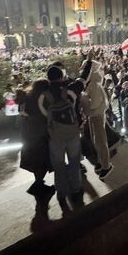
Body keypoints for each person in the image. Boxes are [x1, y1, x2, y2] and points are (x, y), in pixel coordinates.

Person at [38, 66, 83, 215]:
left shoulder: (43, 96)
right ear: (62, 76)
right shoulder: (69, 91)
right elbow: (82, 81)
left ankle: (62, 193)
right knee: (74, 162)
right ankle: (76, 190)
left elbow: (45, 115)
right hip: (72, 134)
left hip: (55, 137)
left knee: (59, 166)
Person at [21, 79, 54, 204]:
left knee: (36, 162)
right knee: (42, 161)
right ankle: (38, 186)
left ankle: (39, 184)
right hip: (40, 136)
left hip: (29, 136)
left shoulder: (28, 97)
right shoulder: (42, 98)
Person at [81, 61, 114, 180]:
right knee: (97, 139)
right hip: (94, 114)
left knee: (100, 140)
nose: (82, 71)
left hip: (96, 114)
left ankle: (106, 166)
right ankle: (101, 161)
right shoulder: (92, 83)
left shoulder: (93, 84)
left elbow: (94, 104)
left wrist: (84, 100)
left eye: (84, 68)